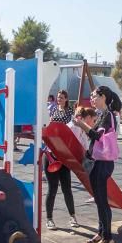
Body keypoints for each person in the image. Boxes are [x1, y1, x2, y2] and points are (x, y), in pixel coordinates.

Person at [72, 86, 122, 243]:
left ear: (103, 97)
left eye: (94, 96)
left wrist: (82, 125)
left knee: (102, 202)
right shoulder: (102, 115)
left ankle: (108, 240)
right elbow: (95, 136)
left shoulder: (108, 115)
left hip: (103, 162)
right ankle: (102, 233)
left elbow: (97, 136)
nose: (91, 99)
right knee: (99, 201)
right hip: (99, 161)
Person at [46, 91, 79, 230]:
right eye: (58, 97)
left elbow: (71, 129)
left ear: (66, 99)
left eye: (61, 97)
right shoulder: (52, 109)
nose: (59, 99)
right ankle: (49, 218)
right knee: (52, 188)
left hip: (64, 153)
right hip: (52, 152)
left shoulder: (70, 112)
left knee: (67, 188)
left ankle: (72, 216)